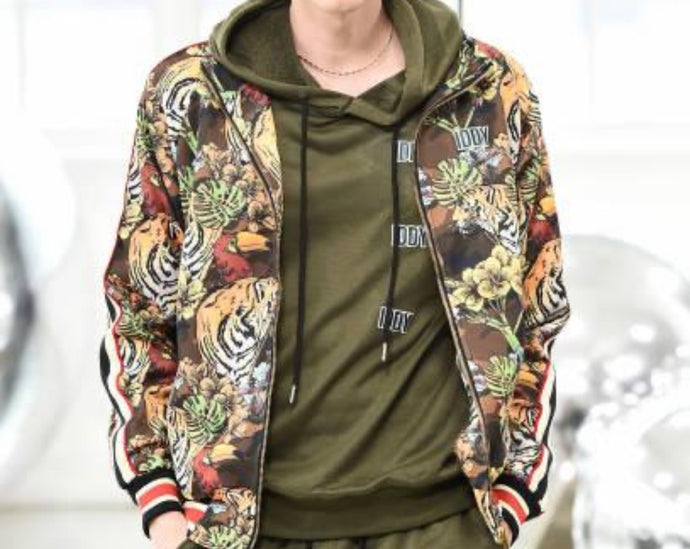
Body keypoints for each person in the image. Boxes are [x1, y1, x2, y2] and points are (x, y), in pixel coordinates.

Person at [99, 0, 572, 548]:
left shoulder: (487, 90)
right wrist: (159, 500)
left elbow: (538, 295)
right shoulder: (192, 93)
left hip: (443, 522)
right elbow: (137, 304)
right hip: (237, 529)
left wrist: (511, 492)